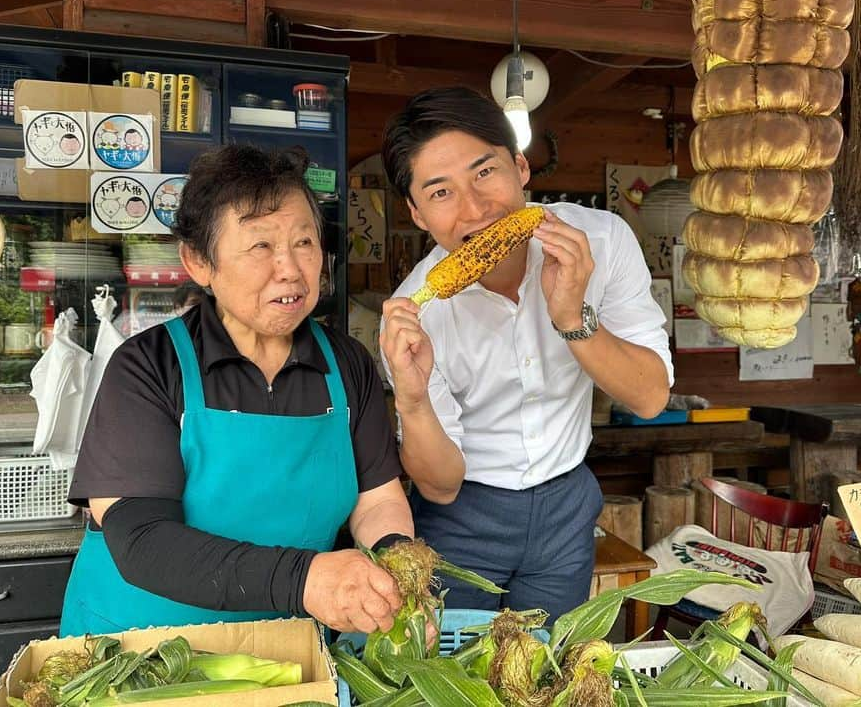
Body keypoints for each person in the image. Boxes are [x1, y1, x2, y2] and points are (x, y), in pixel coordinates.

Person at [61, 144, 412, 637]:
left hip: (287, 654)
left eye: (305, 243)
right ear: (199, 262)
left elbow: (377, 502)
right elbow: (141, 538)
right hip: (144, 655)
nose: (290, 269)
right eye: (261, 246)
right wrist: (305, 580)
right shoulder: (148, 367)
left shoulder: (347, 364)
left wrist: (398, 573)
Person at [379, 87, 673, 619]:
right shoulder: (416, 316)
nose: (474, 209)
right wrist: (413, 399)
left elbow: (651, 396)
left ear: (520, 167)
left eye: (485, 173)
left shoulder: (601, 243)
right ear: (417, 213)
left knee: (548, 672)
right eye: (441, 193)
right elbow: (440, 488)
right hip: (462, 515)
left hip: (566, 504)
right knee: (458, 681)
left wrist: (572, 319)